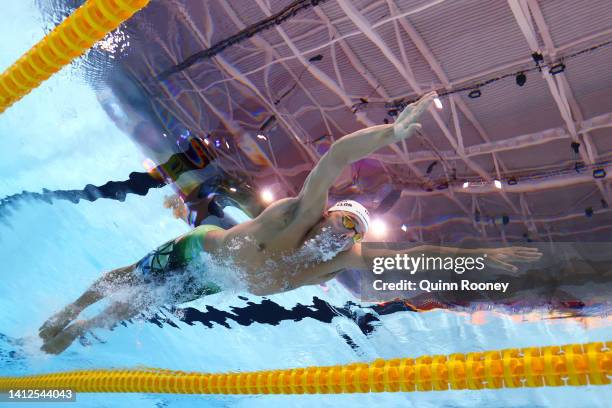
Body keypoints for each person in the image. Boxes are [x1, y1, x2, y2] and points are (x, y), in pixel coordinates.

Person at [38, 92, 542, 354]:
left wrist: (488, 260)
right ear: (327, 214)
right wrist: (393, 131)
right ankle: (70, 309)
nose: (337, 233)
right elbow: (338, 155)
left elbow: (418, 259)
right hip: (200, 251)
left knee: (138, 305)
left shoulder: (338, 261)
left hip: (213, 281)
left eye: (349, 232)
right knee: (129, 277)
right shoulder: (298, 215)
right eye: (338, 221)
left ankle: (78, 330)